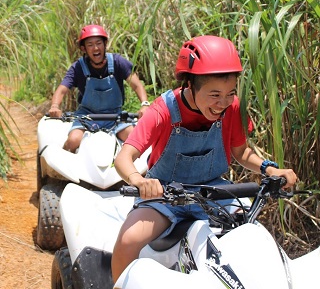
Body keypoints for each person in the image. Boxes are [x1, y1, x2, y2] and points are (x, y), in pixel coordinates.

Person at [111, 35, 297, 282]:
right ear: (190, 85)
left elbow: (241, 153)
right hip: (164, 195)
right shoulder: (163, 110)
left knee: (254, 236)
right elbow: (124, 157)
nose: (223, 103)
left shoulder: (232, 108)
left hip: (213, 192)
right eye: (214, 94)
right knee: (128, 241)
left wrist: (269, 168)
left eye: (230, 93)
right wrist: (139, 180)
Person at [49, 24, 150, 153]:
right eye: (90, 45)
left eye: (98, 43)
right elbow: (62, 89)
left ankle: (134, 170)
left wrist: (145, 104)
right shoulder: (78, 67)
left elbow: (137, 85)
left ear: (105, 44)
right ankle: (60, 171)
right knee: (73, 140)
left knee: (135, 138)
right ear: (84, 48)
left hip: (115, 117)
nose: (95, 48)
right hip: (86, 117)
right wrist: (55, 106)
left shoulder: (118, 62)